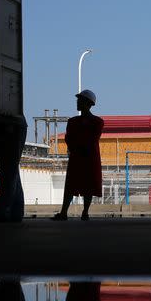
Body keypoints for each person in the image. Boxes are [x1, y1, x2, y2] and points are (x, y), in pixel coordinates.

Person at [53, 90, 103, 221]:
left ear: (88, 103)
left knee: (82, 184)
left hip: (81, 156)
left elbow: (72, 138)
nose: (77, 102)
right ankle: (74, 212)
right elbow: (82, 139)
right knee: (75, 184)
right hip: (88, 156)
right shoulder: (96, 122)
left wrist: (76, 145)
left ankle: (74, 212)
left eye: (80, 100)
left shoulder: (78, 122)